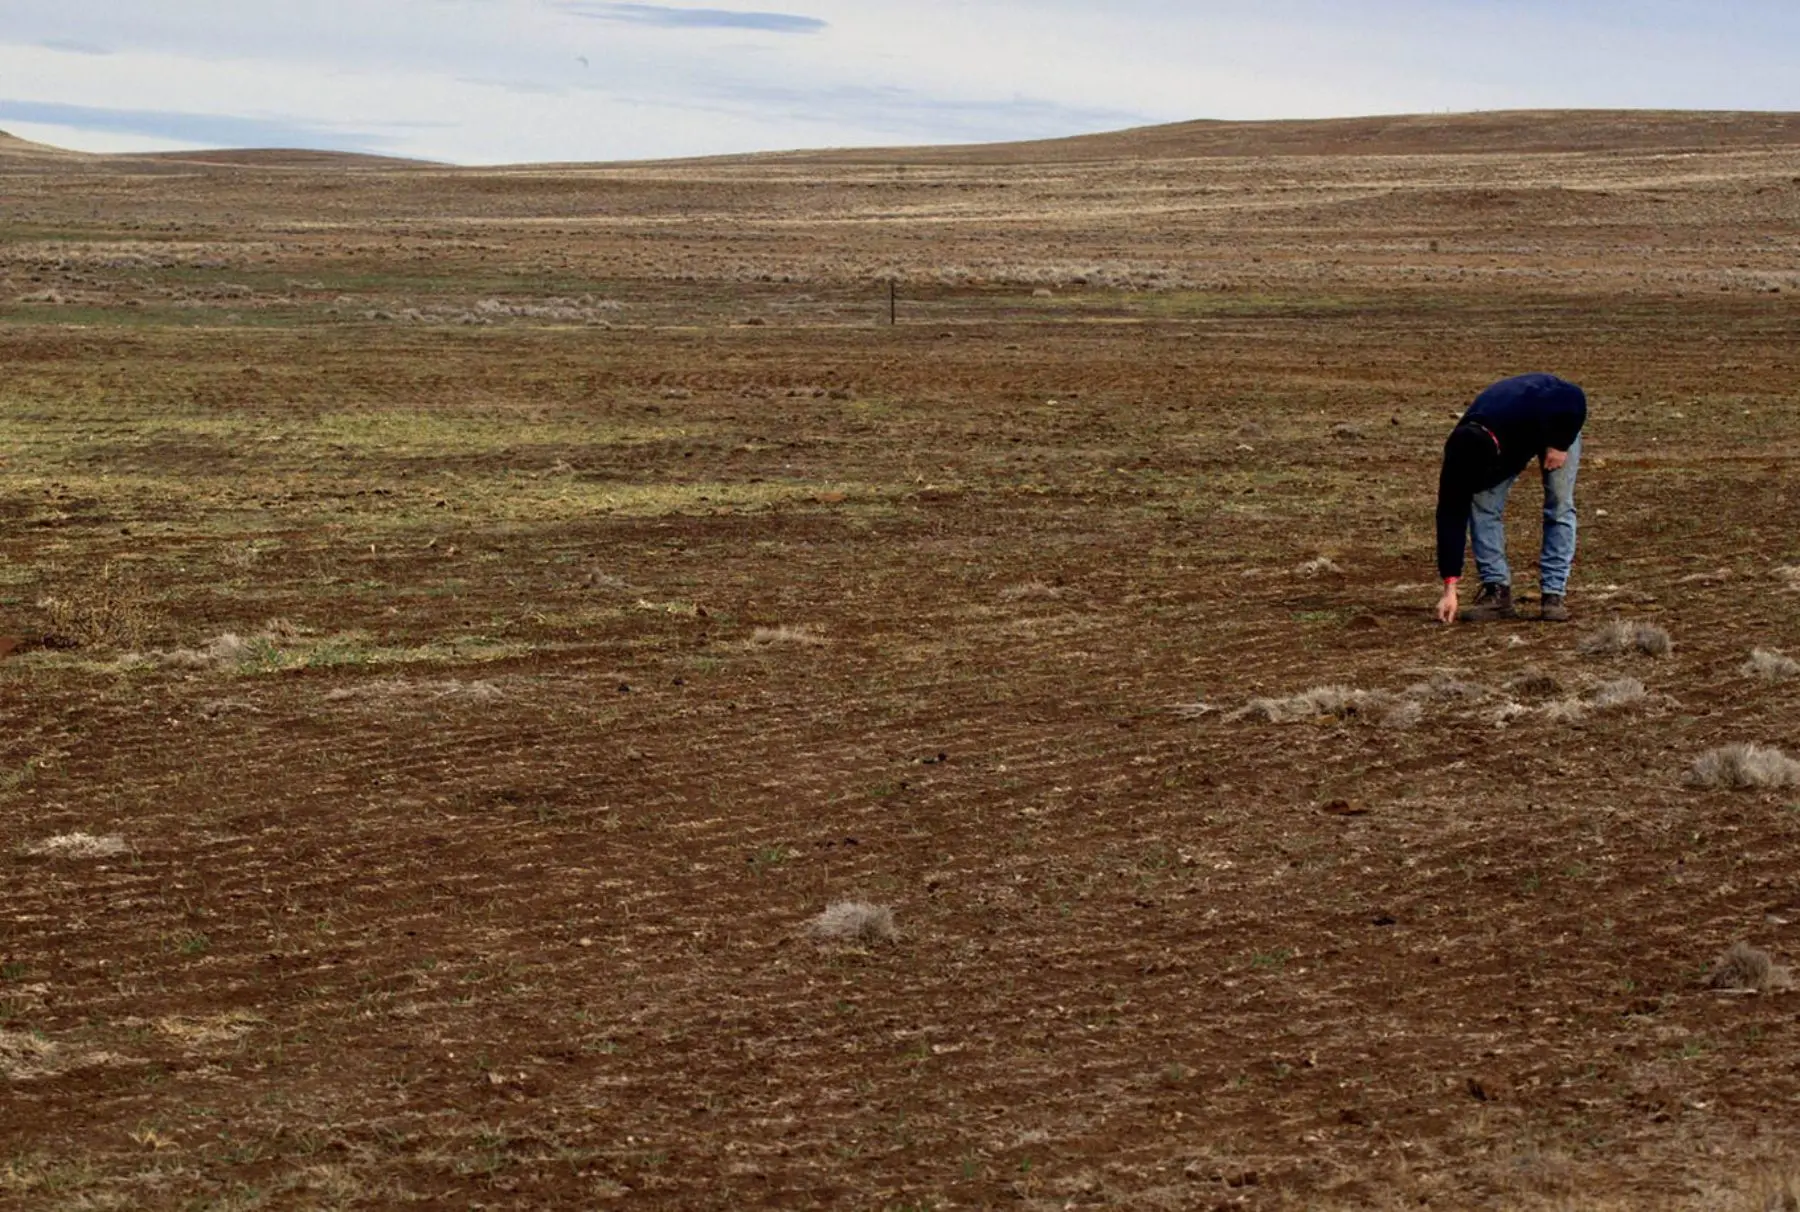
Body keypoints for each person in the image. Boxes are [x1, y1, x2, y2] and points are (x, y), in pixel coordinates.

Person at [1433, 373, 1586, 625]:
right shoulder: (1458, 453)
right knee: (1482, 504)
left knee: (1558, 504)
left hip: (1558, 423)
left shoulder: (1529, 408)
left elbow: (1574, 396)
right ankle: (1497, 591)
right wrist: (1450, 587)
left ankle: (1553, 594)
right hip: (1504, 440)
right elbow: (1450, 516)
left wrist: (1560, 444)